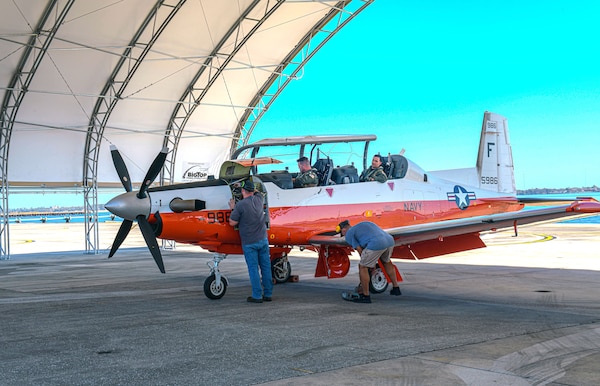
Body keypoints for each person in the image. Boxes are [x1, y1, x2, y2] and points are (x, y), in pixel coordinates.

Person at [229, 180, 273, 303]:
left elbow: (232, 222)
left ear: (243, 191)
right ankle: (268, 294)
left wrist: (232, 208)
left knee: (253, 269)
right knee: (266, 267)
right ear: (252, 191)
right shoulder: (259, 199)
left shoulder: (240, 205)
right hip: (263, 239)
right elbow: (259, 192)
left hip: (249, 242)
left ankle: (257, 296)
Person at [337, 220, 401, 303]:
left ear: (344, 230)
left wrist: (369, 266)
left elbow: (360, 251)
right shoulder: (364, 224)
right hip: (389, 240)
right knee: (386, 262)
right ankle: (396, 288)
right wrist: (372, 264)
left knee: (362, 267)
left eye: (342, 234)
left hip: (376, 243)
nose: (344, 235)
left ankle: (365, 296)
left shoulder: (349, 234)